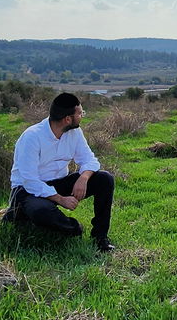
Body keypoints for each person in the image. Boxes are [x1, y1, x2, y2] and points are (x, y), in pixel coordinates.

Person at [8, 93, 115, 252]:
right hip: (27, 191)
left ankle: (100, 237)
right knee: (41, 211)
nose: (82, 116)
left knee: (105, 179)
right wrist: (61, 199)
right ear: (67, 119)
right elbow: (30, 181)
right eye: (80, 113)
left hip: (59, 182)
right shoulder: (32, 137)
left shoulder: (74, 132)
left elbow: (90, 160)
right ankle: (74, 228)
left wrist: (83, 178)